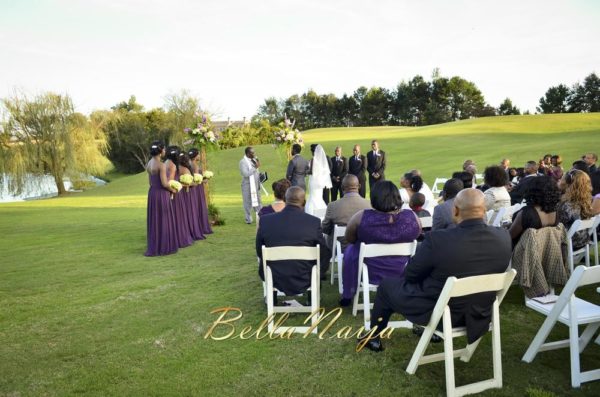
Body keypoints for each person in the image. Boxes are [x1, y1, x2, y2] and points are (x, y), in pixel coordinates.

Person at [359, 189, 512, 352]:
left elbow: (411, 275)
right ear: (484, 210)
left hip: (441, 313)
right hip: (480, 313)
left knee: (387, 286)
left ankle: (373, 337)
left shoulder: (439, 239)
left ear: (456, 210)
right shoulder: (503, 236)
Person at [339, 181, 421, 306]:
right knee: (353, 248)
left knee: (351, 249)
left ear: (374, 198)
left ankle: (348, 293)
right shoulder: (412, 217)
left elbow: (350, 238)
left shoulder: (360, 217)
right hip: (400, 270)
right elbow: (417, 235)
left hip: (371, 270)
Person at [256, 186, 331, 298]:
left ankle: (273, 296)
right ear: (304, 202)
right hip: (305, 276)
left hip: (274, 275)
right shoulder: (313, 222)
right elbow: (324, 252)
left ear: (285, 200)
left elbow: (259, 250)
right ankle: (313, 296)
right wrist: (319, 273)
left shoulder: (266, 221)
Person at [144, 141, 179, 256]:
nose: (165, 151)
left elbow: (150, 182)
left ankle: (155, 245)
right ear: (160, 151)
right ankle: (164, 246)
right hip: (161, 194)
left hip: (153, 193)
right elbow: (164, 183)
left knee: (155, 219)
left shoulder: (149, 163)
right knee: (164, 218)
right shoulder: (161, 165)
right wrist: (174, 190)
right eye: (163, 149)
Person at [321, 175, 371, 250]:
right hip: (362, 246)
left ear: (342, 188)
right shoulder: (369, 205)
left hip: (339, 247)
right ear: (359, 186)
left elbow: (325, 228)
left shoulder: (333, 206)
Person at [509, 176, 561, 247]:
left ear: (532, 191)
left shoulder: (527, 213)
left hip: (523, 251)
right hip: (543, 250)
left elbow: (510, 235)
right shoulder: (555, 211)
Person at [557, 169, 593, 250]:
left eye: (561, 178)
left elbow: (555, 226)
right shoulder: (584, 200)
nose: (559, 180)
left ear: (567, 184)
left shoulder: (566, 205)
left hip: (569, 243)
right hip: (582, 241)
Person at [165, 146, 193, 248]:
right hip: (175, 194)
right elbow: (171, 181)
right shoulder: (172, 165)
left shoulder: (166, 162)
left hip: (171, 194)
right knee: (178, 216)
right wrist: (177, 188)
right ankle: (180, 238)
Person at [178, 151, 205, 241]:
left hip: (182, 193)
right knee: (191, 211)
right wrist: (197, 182)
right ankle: (192, 229)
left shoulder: (178, 167)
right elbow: (192, 182)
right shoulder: (188, 168)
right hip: (189, 192)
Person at [188, 148, 212, 234]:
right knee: (199, 205)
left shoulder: (189, 163)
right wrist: (204, 180)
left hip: (194, 188)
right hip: (197, 188)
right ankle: (201, 227)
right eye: (198, 154)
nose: (199, 156)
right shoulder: (194, 165)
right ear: (195, 156)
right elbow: (196, 178)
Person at [305, 144, 332, 217]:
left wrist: (305, 172)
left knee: (313, 197)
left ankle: (311, 215)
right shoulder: (322, 160)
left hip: (314, 182)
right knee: (319, 198)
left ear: (313, 152)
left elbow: (311, 171)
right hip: (320, 182)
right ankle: (321, 215)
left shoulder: (313, 159)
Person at [239, 146, 262, 224]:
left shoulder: (254, 160)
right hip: (247, 185)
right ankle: (248, 219)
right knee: (248, 202)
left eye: (254, 152)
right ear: (247, 153)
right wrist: (255, 168)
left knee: (258, 201)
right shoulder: (243, 162)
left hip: (256, 184)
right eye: (252, 153)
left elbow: (256, 171)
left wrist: (261, 175)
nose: (254, 154)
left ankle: (260, 217)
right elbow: (245, 174)